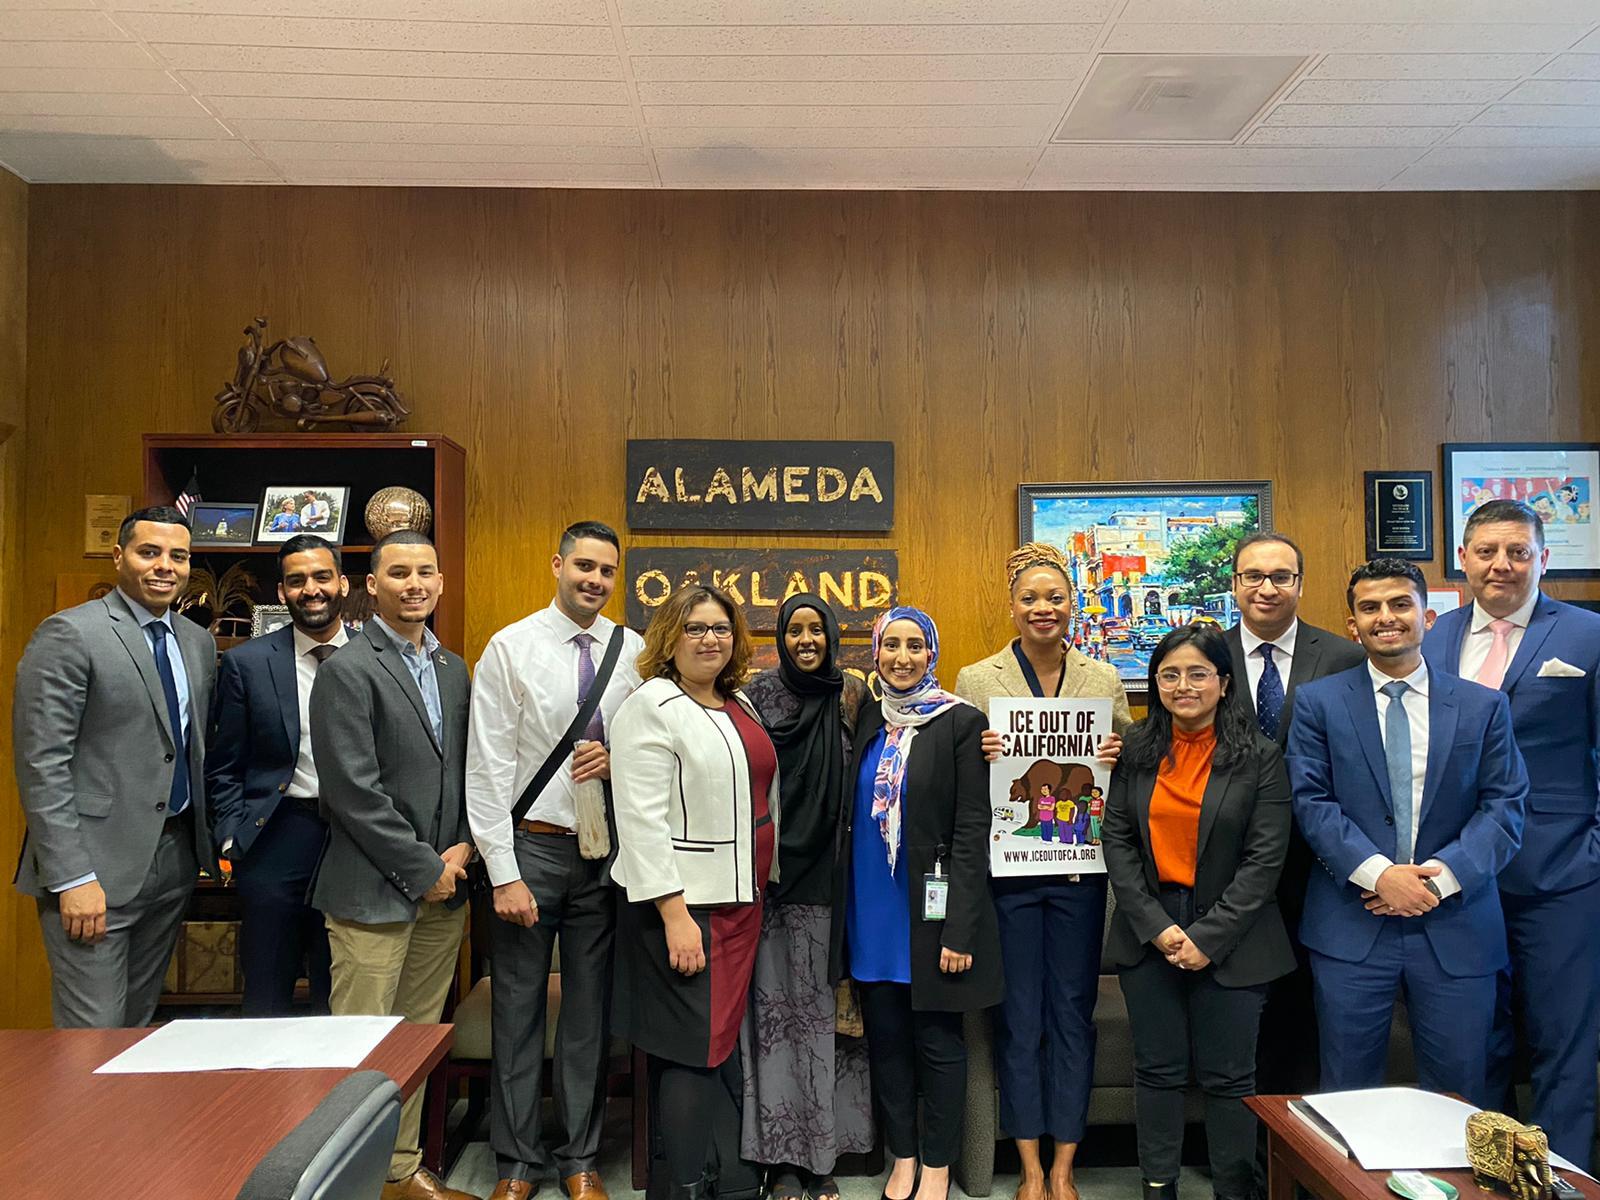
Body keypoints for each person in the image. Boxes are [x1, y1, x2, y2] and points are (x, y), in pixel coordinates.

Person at [1286, 558, 1528, 1109]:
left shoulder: (1483, 706)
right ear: (1353, 624)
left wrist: (1434, 884)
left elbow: (1505, 806)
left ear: (1430, 615)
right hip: (1351, 924)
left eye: (1400, 604)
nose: (1385, 618)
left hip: (1457, 922)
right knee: (1348, 1096)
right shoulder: (1319, 704)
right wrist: (1381, 876)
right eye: (1369, 608)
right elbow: (1311, 801)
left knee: (1460, 1098)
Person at [466, 521, 644, 1200]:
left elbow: (653, 749)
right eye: (583, 566)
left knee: (588, 1014)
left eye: (606, 571)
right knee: (518, 1012)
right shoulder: (511, 648)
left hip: (602, 856)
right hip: (531, 850)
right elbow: (487, 767)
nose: (594, 580)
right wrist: (503, 872)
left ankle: (579, 1159)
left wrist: (619, 760)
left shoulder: (630, 652)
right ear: (557, 565)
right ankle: (515, 1163)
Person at [1423, 498, 1600, 1164]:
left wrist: (1593, 854)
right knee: (1477, 1043)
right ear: (1463, 559)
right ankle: (1490, 1174)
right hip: (1461, 877)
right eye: (1488, 552)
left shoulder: (1587, 636)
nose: (1503, 565)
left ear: (1543, 559)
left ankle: (1567, 1179)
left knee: (1564, 1044)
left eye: (1518, 552)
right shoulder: (1433, 640)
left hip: (1562, 876)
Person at [954, 542, 1131, 1200]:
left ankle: (1064, 1166)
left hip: (1082, 878)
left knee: (1072, 1016)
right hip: (1011, 879)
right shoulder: (977, 680)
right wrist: (980, 751)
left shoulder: (1103, 679)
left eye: (1055, 596)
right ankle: (1028, 1164)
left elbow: (1131, 768)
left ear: (1073, 604)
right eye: (1030, 598)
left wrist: (1119, 748)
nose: (1043, 607)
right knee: (1020, 1016)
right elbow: (962, 780)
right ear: (1012, 607)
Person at [309, 530, 475, 1200]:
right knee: (365, 1049)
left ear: (439, 582)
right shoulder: (348, 669)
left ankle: (400, 1172)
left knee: (412, 1045)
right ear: (369, 585)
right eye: (399, 573)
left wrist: (461, 848)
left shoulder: (453, 668)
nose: (415, 584)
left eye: (426, 572)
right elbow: (351, 791)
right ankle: (351, 1183)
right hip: (374, 891)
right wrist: (422, 866)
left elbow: (469, 771)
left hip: (445, 890)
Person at [1100, 624, 1293, 1200]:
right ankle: (1158, 1185)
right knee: (1156, 1072)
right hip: (1149, 932)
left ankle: (1236, 1187)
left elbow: (1266, 858)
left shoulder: (1260, 756)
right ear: (1155, 683)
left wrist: (1208, 936)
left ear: (1224, 682)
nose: (1183, 686)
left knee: (1229, 1078)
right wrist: (1159, 929)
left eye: (1197, 673)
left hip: (1235, 936)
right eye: (1170, 674)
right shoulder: (1136, 749)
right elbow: (1117, 841)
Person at [13, 506, 218, 1028]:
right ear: (119, 556)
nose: (164, 566)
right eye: (149, 552)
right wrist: (72, 877)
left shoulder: (196, 641)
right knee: (92, 1037)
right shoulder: (70, 634)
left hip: (172, 860)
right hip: (94, 868)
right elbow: (43, 764)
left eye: (178, 556)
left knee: (136, 1029)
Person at [610, 585, 778, 1200]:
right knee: (691, 1051)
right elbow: (641, 820)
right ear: (669, 638)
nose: (711, 639)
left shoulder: (737, 702)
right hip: (686, 911)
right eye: (695, 628)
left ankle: (719, 1177)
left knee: (716, 1047)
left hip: (740, 903)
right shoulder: (650, 705)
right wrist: (675, 913)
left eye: (721, 628)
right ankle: (677, 1187)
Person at [840, 606, 1001, 1200]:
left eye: (915, 646)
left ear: (932, 652)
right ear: (875, 653)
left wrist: (960, 929)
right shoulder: (866, 723)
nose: (902, 657)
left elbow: (970, 829)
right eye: (891, 646)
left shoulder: (961, 723)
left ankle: (937, 1163)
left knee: (937, 1043)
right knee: (886, 1042)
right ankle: (902, 1157)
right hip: (872, 912)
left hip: (932, 917)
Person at [1221, 531, 1364, 1102]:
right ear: (1234, 586)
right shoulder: (1207, 657)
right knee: (1235, 1011)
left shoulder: (1344, 658)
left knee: (1304, 1010)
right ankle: (1242, 1151)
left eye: (1281, 576)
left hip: (1316, 867)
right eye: (1253, 576)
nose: (1266, 587)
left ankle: (1300, 1155)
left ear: (1300, 585)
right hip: (1229, 867)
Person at [740, 594, 874, 1200]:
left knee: (826, 1022)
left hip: (835, 884)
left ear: (832, 635)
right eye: (794, 630)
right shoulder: (754, 696)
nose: (805, 640)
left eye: (816, 630)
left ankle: (824, 1159)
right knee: (773, 1021)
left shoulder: (853, 696)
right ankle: (780, 1162)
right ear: (782, 637)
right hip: (766, 882)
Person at [204, 534, 347, 1016]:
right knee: (266, 999)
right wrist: (231, 838)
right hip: (274, 839)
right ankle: (267, 1093)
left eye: (322, 577)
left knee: (342, 996)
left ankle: (342, 1094)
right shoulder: (247, 663)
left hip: (355, 842)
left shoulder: (377, 657)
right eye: (297, 581)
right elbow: (223, 764)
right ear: (282, 592)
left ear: (343, 583)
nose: (312, 589)